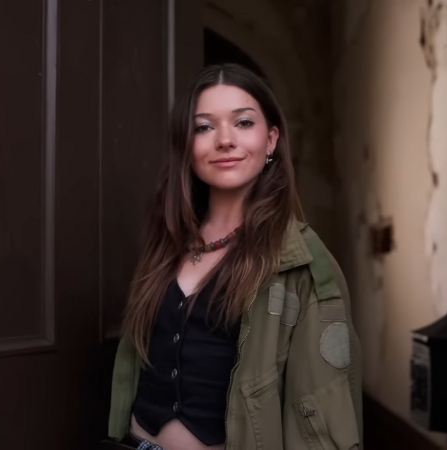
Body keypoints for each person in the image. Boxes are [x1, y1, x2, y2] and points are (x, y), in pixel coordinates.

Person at [106, 63, 362, 450]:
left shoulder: (302, 261)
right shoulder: (167, 241)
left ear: (271, 139)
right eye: (204, 127)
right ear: (186, 146)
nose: (224, 140)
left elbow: (324, 407)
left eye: (243, 123)